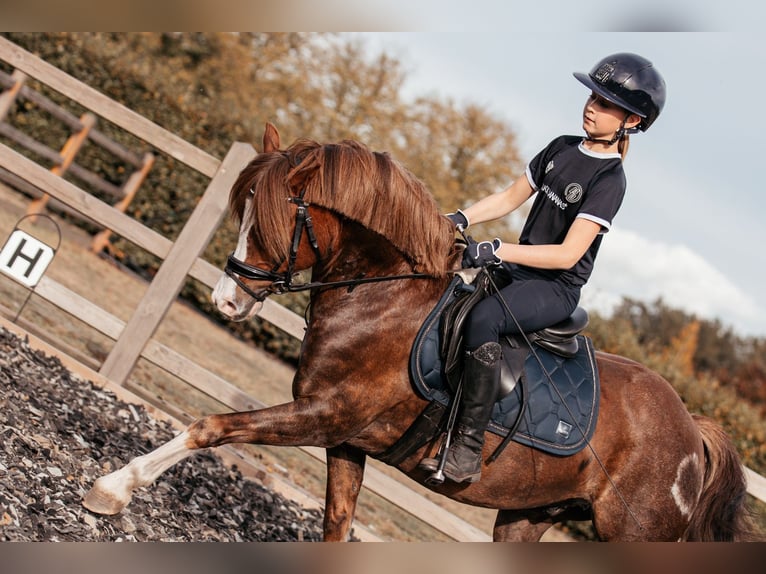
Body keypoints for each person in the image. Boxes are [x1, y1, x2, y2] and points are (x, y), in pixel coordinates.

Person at [435, 52, 666, 484]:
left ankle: (466, 446)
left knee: (485, 317)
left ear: (631, 122)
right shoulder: (560, 147)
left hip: (554, 287)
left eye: (606, 103)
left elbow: (566, 255)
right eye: (592, 96)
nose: (591, 106)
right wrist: (459, 219)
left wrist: (499, 249)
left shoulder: (610, 180)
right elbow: (508, 198)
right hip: (521, 269)